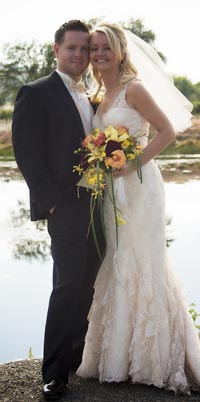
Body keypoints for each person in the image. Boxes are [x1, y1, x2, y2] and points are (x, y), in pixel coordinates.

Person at [77, 22, 200, 394]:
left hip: (140, 185)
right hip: (113, 189)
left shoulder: (135, 88)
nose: (99, 54)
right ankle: (118, 355)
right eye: (94, 48)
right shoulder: (101, 91)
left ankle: (155, 358)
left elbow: (167, 131)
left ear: (120, 51)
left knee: (144, 261)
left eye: (105, 48)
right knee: (118, 259)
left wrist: (134, 163)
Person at [12, 20, 105, 400]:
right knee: (66, 286)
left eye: (85, 50)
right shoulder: (36, 92)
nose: (80, 56)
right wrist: (50, 201)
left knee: (89, 285)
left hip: (99, 203)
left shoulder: (92, 94)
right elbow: (26, 152)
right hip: (64, 205)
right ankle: (54, 373)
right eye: (73, 48)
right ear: (56, 50)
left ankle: (77, 357)